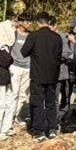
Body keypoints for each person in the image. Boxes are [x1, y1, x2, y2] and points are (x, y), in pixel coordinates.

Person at [21, 12, 63, 142]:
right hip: (53, 74)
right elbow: (59, 56)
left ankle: (39, 131)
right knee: (51, 102)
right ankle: (52, 128)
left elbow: (24, 52)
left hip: (38, 74)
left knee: (37, 103)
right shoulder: (57, 37)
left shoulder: (33, 36)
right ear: (49, 22)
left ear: (38, 22)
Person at [8, 13, 34, 131]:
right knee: (14, 93)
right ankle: (9, 117)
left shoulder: (31, 36)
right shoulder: (13, 34)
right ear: (20, 22)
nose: (29, 24)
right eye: (27, 21)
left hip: (27, 67)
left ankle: (16, 115)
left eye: (30, 21)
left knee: (23, 94)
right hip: (15, 67)